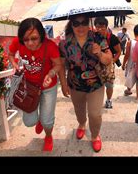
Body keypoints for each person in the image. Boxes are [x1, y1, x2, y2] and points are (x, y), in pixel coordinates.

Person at [8, 18, 68, 152]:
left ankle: (48, 136)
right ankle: (40, 119)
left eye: (34, 38)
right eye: (26, 39)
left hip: (48, 87)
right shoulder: (18, 42)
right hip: (28, 86)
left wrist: (51, 74)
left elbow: (58, 64)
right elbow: (11, 54)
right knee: (29, 122)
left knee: (47, 121)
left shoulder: (50, 46)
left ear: (41, 35)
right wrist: (14, 64)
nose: (30, 43)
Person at [59, 15, 113, 152]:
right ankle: (82, 124)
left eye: (84, 23)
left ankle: (95, 136)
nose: (80, 26)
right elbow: (60, 65)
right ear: (71, 25)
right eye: (76, 23)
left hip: (95, 84)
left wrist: (100, 53)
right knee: (79, 111)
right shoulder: (64, 43)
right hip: (75, 84)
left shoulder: (98, 38)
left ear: (89, 22)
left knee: (95, 114)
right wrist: (63, 84)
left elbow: (108, 59)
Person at [94, 17, 121, 109]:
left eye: (102, 27)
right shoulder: (93, 37)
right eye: (97, 27)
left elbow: (118, 51)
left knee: (109, 84)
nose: (99, 29)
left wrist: (112, 62)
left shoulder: (112, 38)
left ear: (106, 27)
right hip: (96, 64)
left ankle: (109, 100)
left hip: (108, 65)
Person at [122, 24, 138, 97]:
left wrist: (123, 63)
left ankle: (128, 89)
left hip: (131, 63)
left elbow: (127, 55)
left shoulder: (130, 42)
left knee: (130, 76)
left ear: (134, 32)